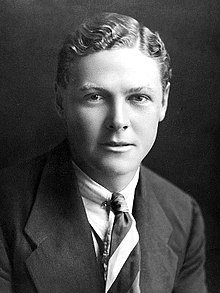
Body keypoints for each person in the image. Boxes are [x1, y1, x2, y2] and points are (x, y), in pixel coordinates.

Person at [0, 12, 207, 293]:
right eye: (95, 97)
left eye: (139, 98)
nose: (118, 120)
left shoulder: (183, 214)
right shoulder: (6, 207)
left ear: (164, 102)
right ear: (61, 100)